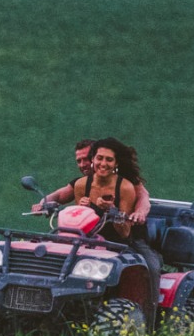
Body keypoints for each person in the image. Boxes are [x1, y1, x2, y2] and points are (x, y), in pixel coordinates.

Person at [41, 137, 162, 320]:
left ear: (116, 162)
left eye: (108, 159)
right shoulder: (82, 184)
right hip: (92, 238)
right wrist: (45, 203)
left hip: (126, 238)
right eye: (98, 158)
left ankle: (149, 318)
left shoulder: (128, 184)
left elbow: (135, 215)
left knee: (150, 267)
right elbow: (74, 211)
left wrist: (122, 211)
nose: (101, 163)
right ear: (94, 158)